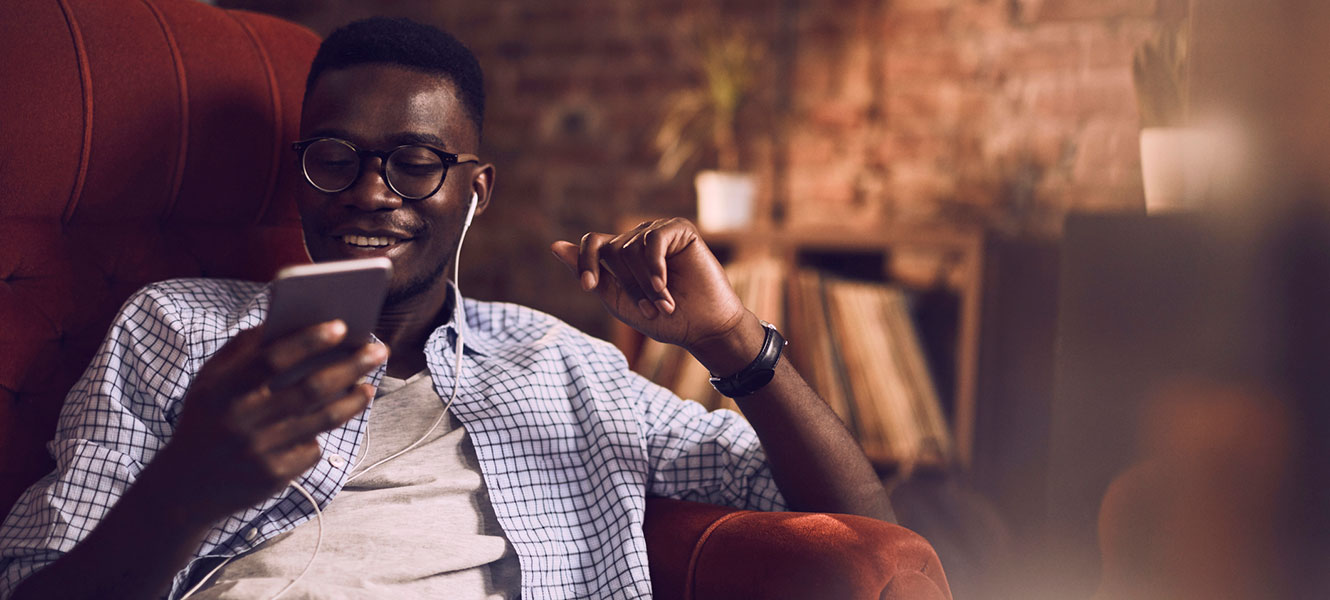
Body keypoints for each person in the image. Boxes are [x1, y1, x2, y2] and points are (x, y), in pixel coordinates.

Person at [0, 17, 890, 600]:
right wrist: (185, 489)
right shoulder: (177, 329)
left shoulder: (558, 362)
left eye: (416, 161)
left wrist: (731, 339)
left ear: (477, 190)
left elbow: (864, 528)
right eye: (336, 157)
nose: (369, 193)